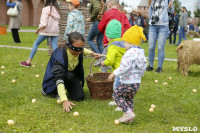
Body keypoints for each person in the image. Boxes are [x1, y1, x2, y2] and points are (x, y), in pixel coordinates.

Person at [42, 32, 100, 112]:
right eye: (76, 49)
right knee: (67, 76)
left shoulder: (78, 50)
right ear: (68, 45)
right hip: (55, 78)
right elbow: (59, 77)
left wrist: (92, 53)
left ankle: (65, 88)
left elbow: (82, 49)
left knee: (79, 97)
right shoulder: (59, 54)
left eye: (81, 49)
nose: (79, 52)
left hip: (69, 76)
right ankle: (51, 91)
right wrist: (64, 100)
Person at [108, 25, 147, 123]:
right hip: (136, 83)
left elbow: (125, 67)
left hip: (127, 82)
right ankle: (129, 119)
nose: (124, 44)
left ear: (130, 42)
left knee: (116, 95)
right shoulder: (140, 52)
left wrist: (114, 73)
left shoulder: (129, 53)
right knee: (129, 99)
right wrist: (140, 75)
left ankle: (127, 113)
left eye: (125, 42)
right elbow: (144, 65)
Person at [20, 0, 60, 67]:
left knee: (36, 43)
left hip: (46, 30)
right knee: (55, 46)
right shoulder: (56, 8)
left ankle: (28, 61)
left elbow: (43, 23)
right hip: (55, 31)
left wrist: (38, 29)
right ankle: (58, 64)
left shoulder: (45, 9)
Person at [97, 0, 131, 72]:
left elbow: (100, 27)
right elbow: (128, 27)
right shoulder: (122, 14)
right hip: (120, 40)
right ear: (117, 5)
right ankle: (121, 71)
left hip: (109, 39)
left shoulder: (107, 13)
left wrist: (106, 33)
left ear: (109, 5)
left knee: (105, 57)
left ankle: (104, 73)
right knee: (119, 57)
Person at [100, 19, 126, 111]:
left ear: (107, 36)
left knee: (118, 87)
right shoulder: (123, 43)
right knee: (122, 87)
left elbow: (110, 61)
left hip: (119, 71)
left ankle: (121, 105)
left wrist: (104, 63)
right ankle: (117, 101)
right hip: (125, 70)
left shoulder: (111, 47)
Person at [146, 0, 174, 73]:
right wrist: (151, 20)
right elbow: (150, 10)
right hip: (152, 26)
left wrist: (170, 7)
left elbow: (171, 11)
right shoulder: (152, 1)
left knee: (160, 47)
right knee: (151, 47)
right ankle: (151, 66)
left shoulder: (168, 0)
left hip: (163, 26)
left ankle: (159, 67)